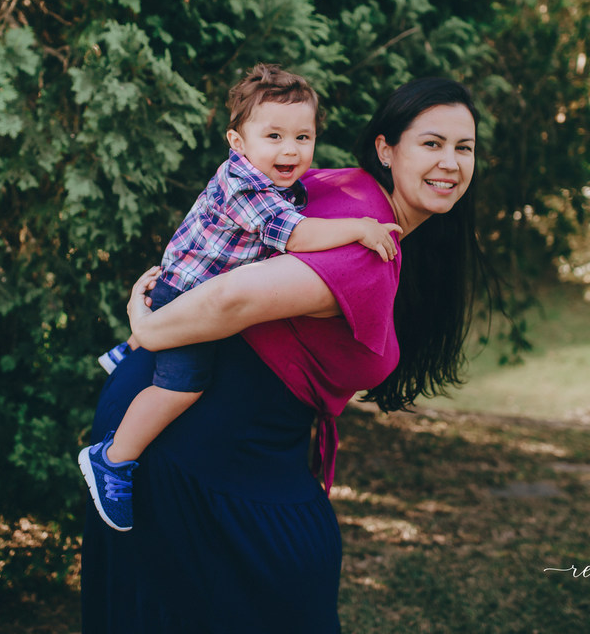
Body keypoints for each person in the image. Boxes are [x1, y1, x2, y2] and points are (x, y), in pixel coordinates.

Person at [80, 76, 490, 633]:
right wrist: (145, 335)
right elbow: (231, 295)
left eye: (462, 148)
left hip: (207, 434)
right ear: (386, 150)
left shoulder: (340, 189)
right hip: (194, 450)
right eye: (432, 143)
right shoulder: (360, 245)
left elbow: (225, 225)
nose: (450, 162)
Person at [78, 64, 402, 532]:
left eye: (303, 137)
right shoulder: (248, 186)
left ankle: (126, 353)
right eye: (273, 136)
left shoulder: (271, 181)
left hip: (188, 281)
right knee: (183, 386)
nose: (290, 149)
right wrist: (359, 228)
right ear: (237, 142)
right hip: (185, 296)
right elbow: (294, 234)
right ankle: (113, 458)